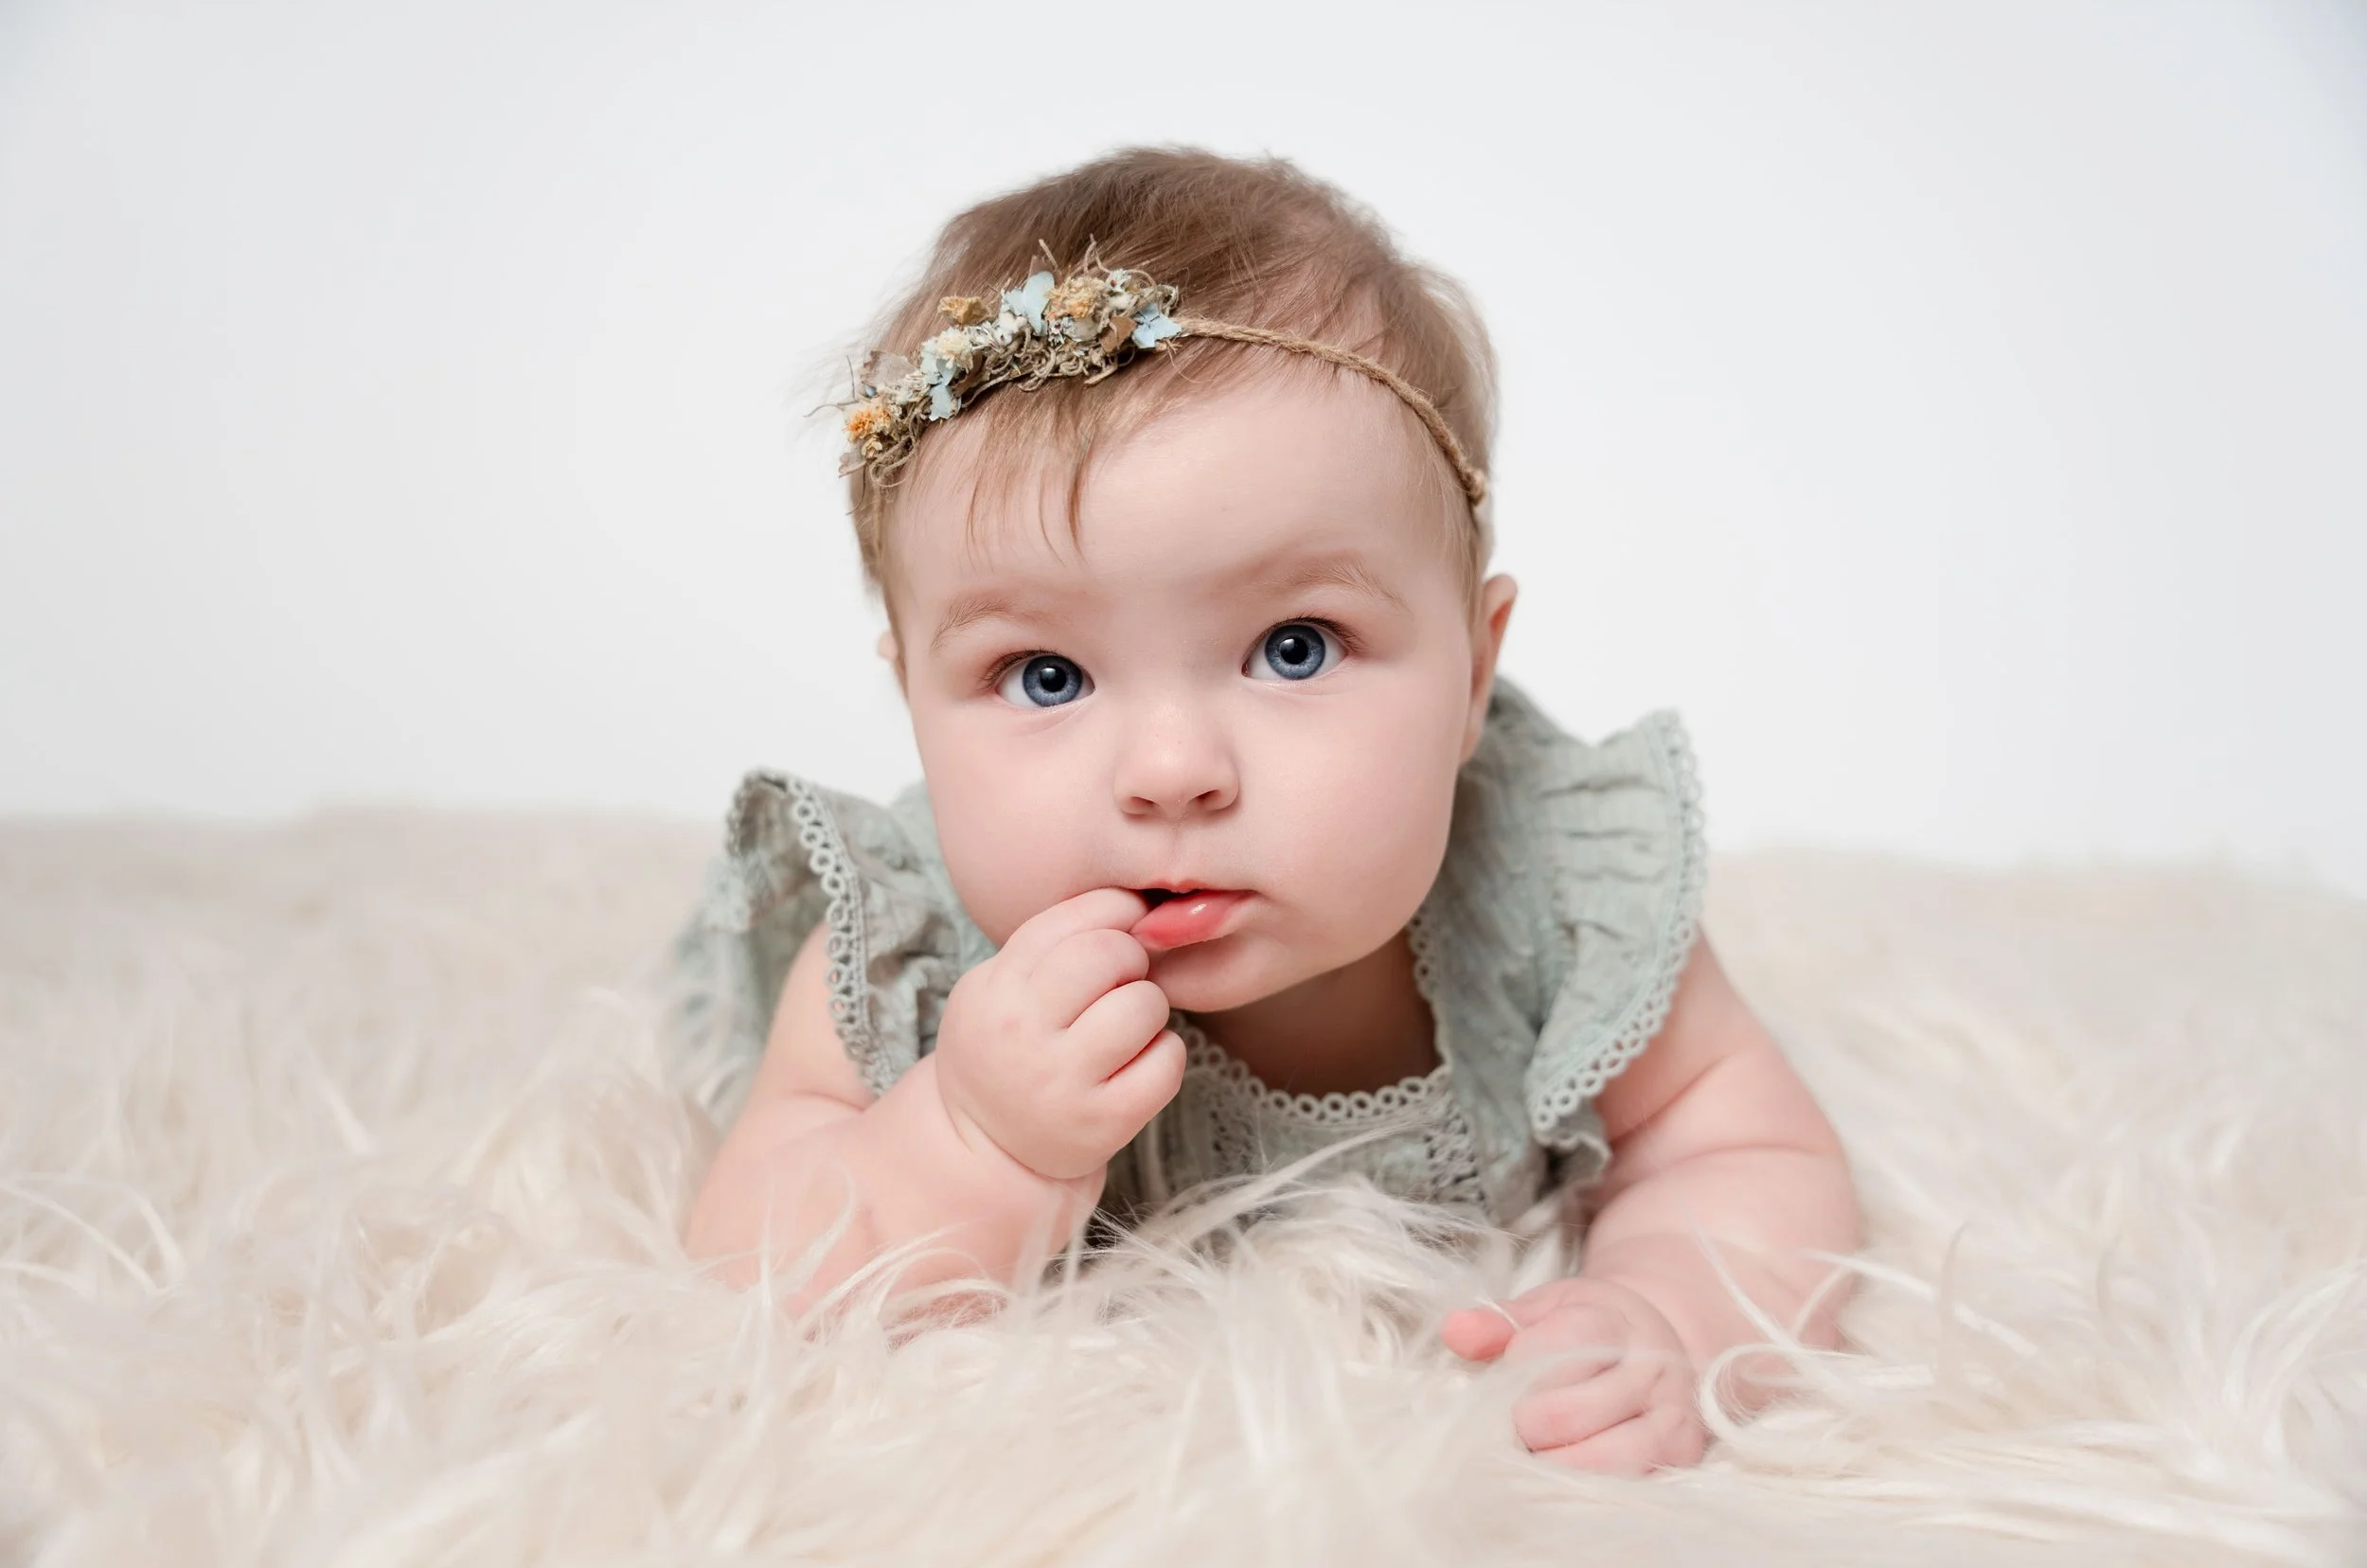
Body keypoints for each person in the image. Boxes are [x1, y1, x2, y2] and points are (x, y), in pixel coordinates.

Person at [675, 147, 1860, 1475]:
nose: (1173, 769)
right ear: (915, 703)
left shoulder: (1552, 880)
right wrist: (965, 1138)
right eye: (1045, 675)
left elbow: (1746, 1143)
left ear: (1475, 671)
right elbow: (740, 1259)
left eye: (1294, 645)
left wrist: (1672, 1317)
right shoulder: (914, 945)